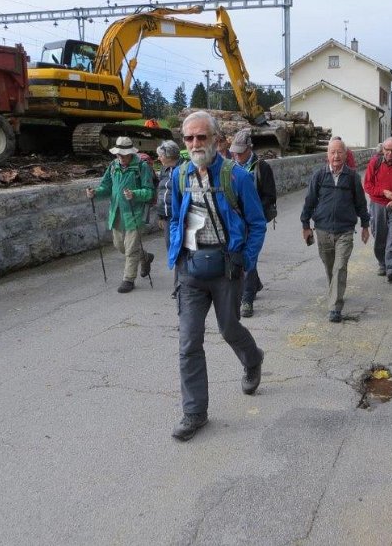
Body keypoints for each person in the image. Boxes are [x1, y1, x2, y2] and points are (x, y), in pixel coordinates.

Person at [167, 111, 267, 441]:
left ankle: (253, 360)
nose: (195, 144)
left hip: (226, 270)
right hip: (191, 271)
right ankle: (194, 412)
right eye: (189, 138)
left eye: (202, 137)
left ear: (216, 139)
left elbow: (257, 222)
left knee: (228, 328)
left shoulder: (235, 177)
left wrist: (246, 260)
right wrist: (177, 255)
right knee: (188, 343)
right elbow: (174, 221)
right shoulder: (180, 176)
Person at [301, 138, 370, 323]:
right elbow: (309, 202)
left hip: (345, 231)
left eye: (340, 152)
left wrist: (365, 225)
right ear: (327, 156)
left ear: (346, 154)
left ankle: (335, 307)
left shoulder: (353, 177)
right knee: (330, 267)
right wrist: (305, 226)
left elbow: (361, 204)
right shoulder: (319, 176)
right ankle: (336, 292)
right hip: (323, 230)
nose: (336, 156)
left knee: (340, 267)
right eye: (333, 152)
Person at [85, 136, 155, 294]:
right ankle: (145, 257)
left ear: (131, 153)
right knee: (119, 246)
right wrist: (95, 193)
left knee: (130, 249)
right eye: (118, 154)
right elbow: (106, 187)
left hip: (134, 213)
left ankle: (128, 279)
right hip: (116, 212)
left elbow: (150, 192)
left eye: (123, 155)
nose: (120, 157)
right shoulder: (113, 166)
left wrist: (135, 194)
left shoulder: (141, 167)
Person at [230, 129, 277, 318]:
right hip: (235, 222)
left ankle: (246, 299)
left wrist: (252, 208)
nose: (237, 155)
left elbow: (270, 196)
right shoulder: (230, 167)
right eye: (235, 151)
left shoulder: (262, 168)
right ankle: (254, 284)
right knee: (244, 255)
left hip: (253, 221)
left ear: (250, 148)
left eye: (240, 151)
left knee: (249, 256)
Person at [364, 137, 392, 282]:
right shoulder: (374, 163)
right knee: (379, 236)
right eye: (387, 150)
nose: (390, 153)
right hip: (378, 205)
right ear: (383, 149)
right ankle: (382, 264)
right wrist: (383, 192)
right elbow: (368, 185)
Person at [156, 140, 185, 297]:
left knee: (180, 249)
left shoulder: (183, 170)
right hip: (167, 218)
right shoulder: (164, 169)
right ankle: (180, 283)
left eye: (160, 155)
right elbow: (161, 193)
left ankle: (179, 285)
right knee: (172, 250)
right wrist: (160, 215)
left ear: (168, 155)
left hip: (180, 217)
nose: (158, 158)